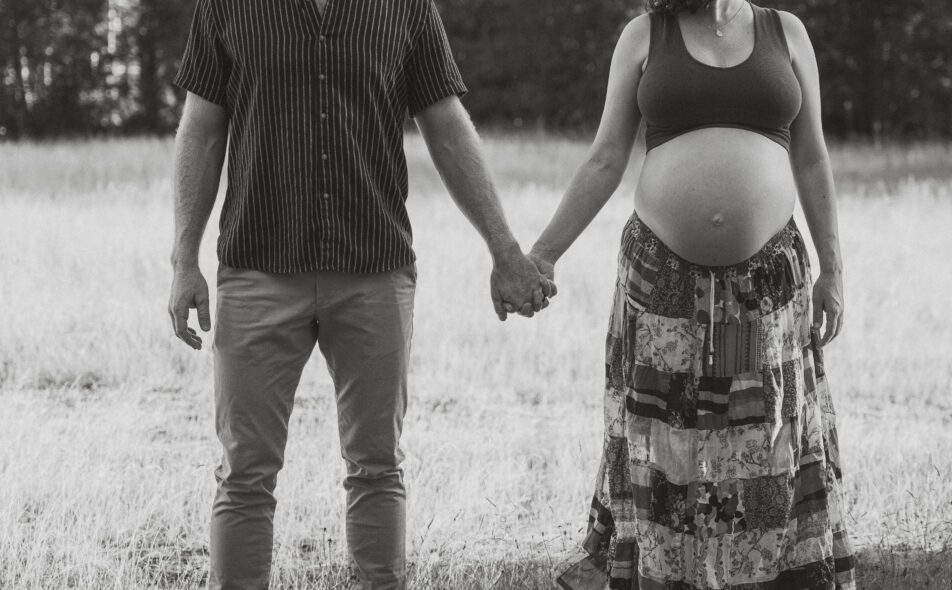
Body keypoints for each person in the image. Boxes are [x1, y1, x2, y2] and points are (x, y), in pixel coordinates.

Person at [167, 0, 552, 588]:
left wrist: (505, 251)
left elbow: (447, 128)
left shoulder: (406, 9)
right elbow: (200, 129)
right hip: (257, 271)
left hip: (374, 271)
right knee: (244, 474)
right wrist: (184, 260)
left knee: (376, 468)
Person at [528, 0, 856, 588]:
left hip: (768, 286)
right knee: (663, 442)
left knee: (768, 440)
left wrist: (833, 268)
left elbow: (811, 156)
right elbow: (606, 158)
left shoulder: (787, 33)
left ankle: (767, 576)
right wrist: (542, 255)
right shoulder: (644, 35)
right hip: (662, 283)